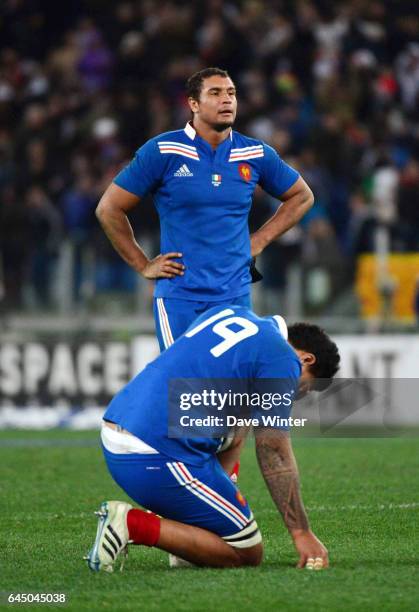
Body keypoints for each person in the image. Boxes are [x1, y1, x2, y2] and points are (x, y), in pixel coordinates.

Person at [85, 305, 340, 572]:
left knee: (237, 425)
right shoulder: (283, 357)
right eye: (304, 387)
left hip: (119, 430)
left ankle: (190, 538)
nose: (295, 394)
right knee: (246, 551)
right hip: (154, 453)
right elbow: (273, 449)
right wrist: (301, 532)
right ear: (306, 360)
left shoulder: (232, 313)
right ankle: (130, 524)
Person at [95, 67, 314, 351]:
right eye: (216, 93)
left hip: (234, 296)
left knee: (230, 389)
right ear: (193, 104)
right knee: (187, 390)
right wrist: (142, 264)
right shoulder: (163, 151)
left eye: (231, 93)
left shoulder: (255, 153)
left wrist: (259, 240)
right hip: (180, 297)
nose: (227, 100)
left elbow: (302, 196)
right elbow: (109, 208)